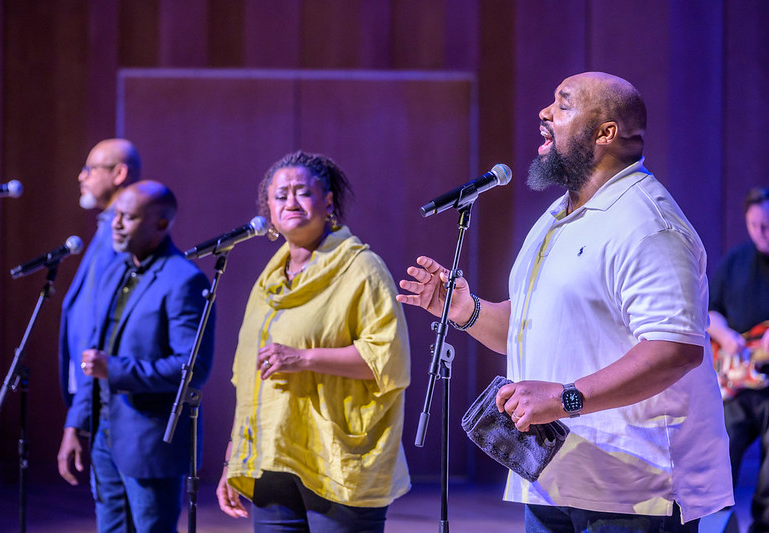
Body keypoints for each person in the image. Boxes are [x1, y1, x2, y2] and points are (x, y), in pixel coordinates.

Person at [397, 72, 733, 531]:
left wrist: (563, 397)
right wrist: (465, 310)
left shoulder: (649, 224)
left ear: (605, 132)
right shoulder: (559, 215)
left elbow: (675, 350)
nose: (545, 112)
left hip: (633, 490)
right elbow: (528, 325)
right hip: (553, 475)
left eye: (563, 103)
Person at [216, 150, 411, 532]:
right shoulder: (268, 282)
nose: (290, 202)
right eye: (280, 195)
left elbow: (388, 358)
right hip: (272, 454)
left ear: (328, 202)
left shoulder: (361, 268)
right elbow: (249, 377)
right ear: (269, 211)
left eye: (301, 192)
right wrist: (233, 458)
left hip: (337, 459)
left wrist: (303, 358)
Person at [57, 180, 215, 532]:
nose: (115, 224)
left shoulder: (184, 280)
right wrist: (75, 424)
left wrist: (113, 369)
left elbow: (192, 368)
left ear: (160, 224)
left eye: (127, 218)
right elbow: (94, 355)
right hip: (105, 437)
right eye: (116, 215)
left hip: (150, 446)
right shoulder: (118, 272)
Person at [59, 138, 141, 406]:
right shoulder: (105, 227)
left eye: (90, 168)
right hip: (92, 391)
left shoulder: (123, 237)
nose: (81, 176)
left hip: (106, 393)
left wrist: (83, 406)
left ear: (119, 173)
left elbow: (103, 318)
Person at [708, 186, 769, 533]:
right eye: (755, 224)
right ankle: (716, 523)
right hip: (733, 382)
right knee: (720, 459)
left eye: (768, 224)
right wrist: (727, 336)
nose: (762, 232)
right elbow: (710, 312)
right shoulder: (735, 260)